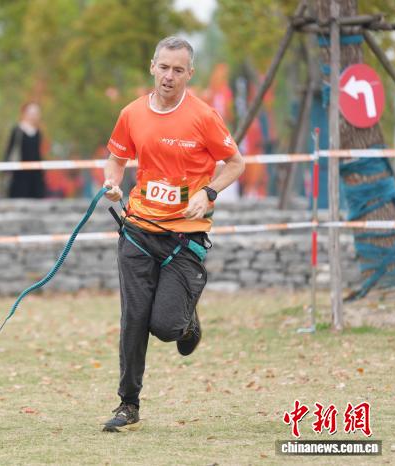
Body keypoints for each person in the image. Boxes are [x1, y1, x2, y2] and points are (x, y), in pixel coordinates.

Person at [101, 36, 245, 432]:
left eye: (178, 70)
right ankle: (128, 404)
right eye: (163, 67)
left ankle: (187, 322)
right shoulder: (132, 113)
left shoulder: (203, 117)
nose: (169, 76)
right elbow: (116, 159)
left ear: (189, 74)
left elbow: (236, 163)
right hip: (138, 230)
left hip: (184, 237)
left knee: (165, 326)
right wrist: (112, 183)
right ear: (153, 67)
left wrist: (209, 192)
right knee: (134, 319)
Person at [3, 102, 46, 198]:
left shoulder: (38, 133)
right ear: (25, 114)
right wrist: (6, 168)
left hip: (35, 175)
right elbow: (10, 150)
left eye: (36, 113)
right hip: (19, 175)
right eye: (32, 113)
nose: (34, 116)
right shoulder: (17, 130)